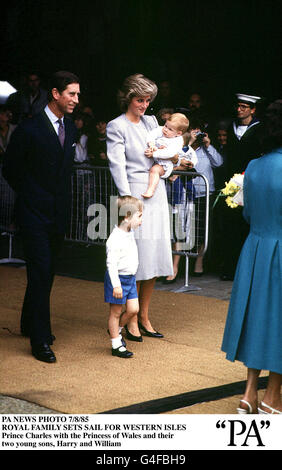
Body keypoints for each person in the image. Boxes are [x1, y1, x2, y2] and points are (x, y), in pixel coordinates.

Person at [2, 70, 80, 363]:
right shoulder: (29, 128)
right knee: (40, 271)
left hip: (58, 214)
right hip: (33, 213)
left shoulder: (71, 129)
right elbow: (10, 167)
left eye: (77, 94)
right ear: (55, 94)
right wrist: (32, 193)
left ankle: (27, 322)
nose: (76, 99)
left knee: (46, 273)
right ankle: (40, 339)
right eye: (71, 93)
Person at [107, 73, 189, 341]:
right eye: (139, 100)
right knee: (134, 261)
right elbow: (117, 165)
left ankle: (143, 315)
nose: (144, 105)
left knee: (153, 257)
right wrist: (128, 201)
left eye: (147, 100)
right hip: (134, 195)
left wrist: (169, 167)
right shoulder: (116, 126)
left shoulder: (152, 122)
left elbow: (167, 158)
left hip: (157, 193)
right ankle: (130, 318)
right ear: (128, 98)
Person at [221, 99, 282, 414]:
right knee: (278, 321)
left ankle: (249, 393)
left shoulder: (254, 167)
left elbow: (247, 214)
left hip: (256, 247)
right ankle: (273, 399)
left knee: (257, 318)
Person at [220, 93, 263, 280]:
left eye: (244, 107)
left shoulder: (259, 129)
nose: (239, 110)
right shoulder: (231, 128)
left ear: (252, 110)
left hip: (250, 179)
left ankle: (247, 271)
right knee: (230, 225)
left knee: (247, 225)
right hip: (232, 182)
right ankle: (229, 268)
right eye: (238, 106)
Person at [105, 196, 143, 358]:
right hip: (118, 280)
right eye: (139, 216)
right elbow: (111, 264)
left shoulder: (129, 231)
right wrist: (116, 285)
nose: (141, 220)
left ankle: (117, 330)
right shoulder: (114, 239)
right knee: (115, 312)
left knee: (134, 310)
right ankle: (115, 344)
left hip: (130, 278)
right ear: (127, 217)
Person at [142, 113, 189, 198]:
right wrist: (151, 144)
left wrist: (154, 154)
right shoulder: (161, 130)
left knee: (154, 170)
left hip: (165, 164)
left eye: (170, 129)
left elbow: (169, 153)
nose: (166, 129)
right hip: (155, 158)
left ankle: (150, 190)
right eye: (165, 125)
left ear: (178, 133)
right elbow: (151, 134)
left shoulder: (178, 141)